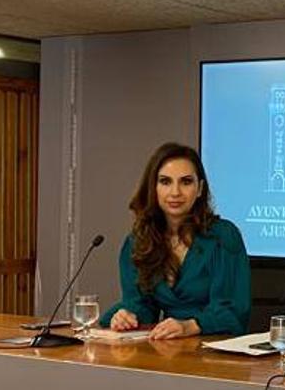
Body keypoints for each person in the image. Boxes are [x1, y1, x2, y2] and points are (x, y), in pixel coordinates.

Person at [101, 142, 250, 339]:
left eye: (186, 182)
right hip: (168, 348)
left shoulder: (223, 237)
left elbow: (233, 313)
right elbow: (141, 304)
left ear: (199, 189)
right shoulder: (138, 241)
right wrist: (128, 316)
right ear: (153, 188)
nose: (175, 192)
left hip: (215, 351)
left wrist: (191, 326)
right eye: (165, 182)